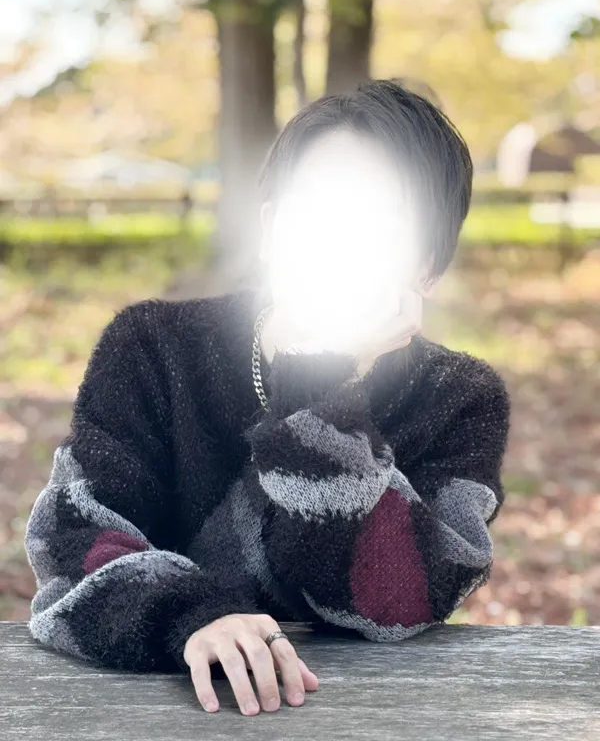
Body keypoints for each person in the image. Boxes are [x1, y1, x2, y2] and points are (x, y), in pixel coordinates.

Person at [25, 80, 510, 717]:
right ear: (269, 228)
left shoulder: (459, 399)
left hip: (359, 714)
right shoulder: (151, 347)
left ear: (429, 266)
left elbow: (401, 597)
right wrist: (194, 616)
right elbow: (73, 541)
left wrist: (321, 392)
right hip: (156, 706)